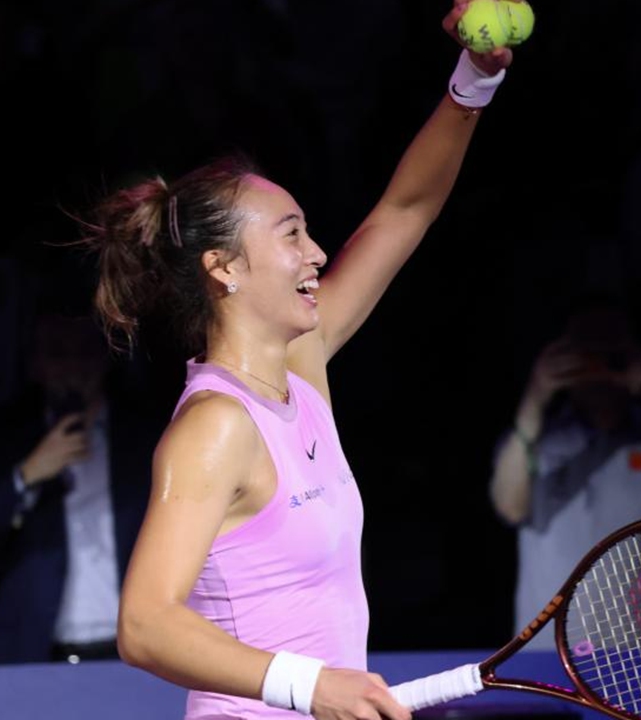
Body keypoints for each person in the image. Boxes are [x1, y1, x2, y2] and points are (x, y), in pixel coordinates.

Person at [81, 4, 514, 718]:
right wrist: (310, 686)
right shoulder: (217, 426)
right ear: (223, 268)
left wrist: (472, 81)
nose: (317, 254)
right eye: (291, 235)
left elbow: (404, 211)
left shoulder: (298, 374)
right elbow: (145, 624)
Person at [489, 295, 641, 646]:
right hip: (549, 650)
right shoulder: (534, 440)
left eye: (611, 350)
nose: (597, 364)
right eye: (584, 351)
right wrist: (535, 399)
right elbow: (509, 506)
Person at [0, 309, 161, 664]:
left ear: (104, 358)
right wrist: (29, 474)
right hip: (37, 651)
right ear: (36, 365)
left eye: (83, 351)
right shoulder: (11, 443)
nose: (72, 366)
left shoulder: (144, 439)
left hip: (133, 649)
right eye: (57, 353)